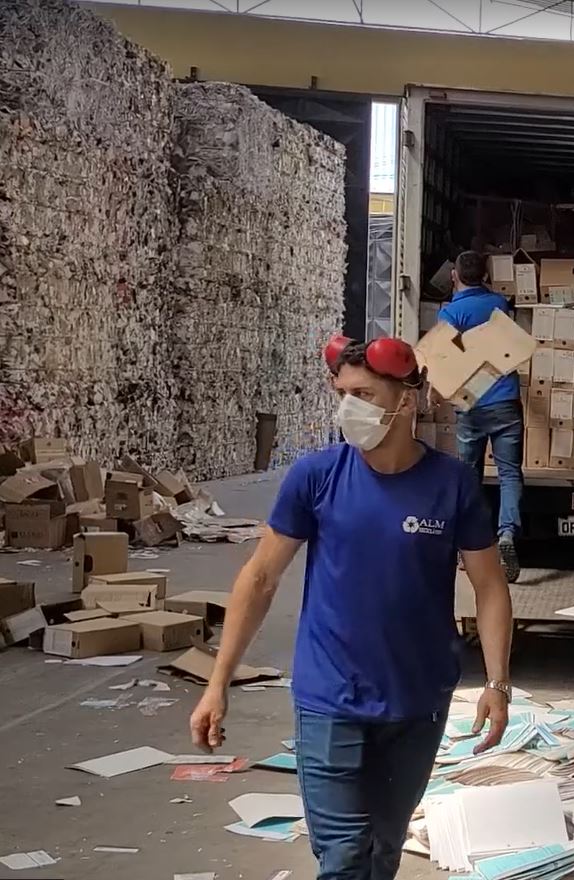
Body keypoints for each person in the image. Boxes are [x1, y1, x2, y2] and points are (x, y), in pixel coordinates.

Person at [188, 333, 514, 880]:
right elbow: (261, 576)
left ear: (405, 400)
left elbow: (489, 586)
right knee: (342, 858)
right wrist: (218, 681)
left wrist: (497, 682)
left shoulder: (450, 485)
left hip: (418, 700)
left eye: (363, 394)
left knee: (382, 852)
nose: (348, 408)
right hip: (330, 699)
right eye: (343, 393)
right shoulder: (315, 477)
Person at [437, 249, 525, 582]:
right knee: (509, 474)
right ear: (486, 275)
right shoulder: (500, 305)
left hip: (471, 403)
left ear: (454, 276)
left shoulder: (451, 313)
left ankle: (470, 546)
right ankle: (506, 535)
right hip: (505, 401)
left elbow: (444, 358)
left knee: (469, 476)